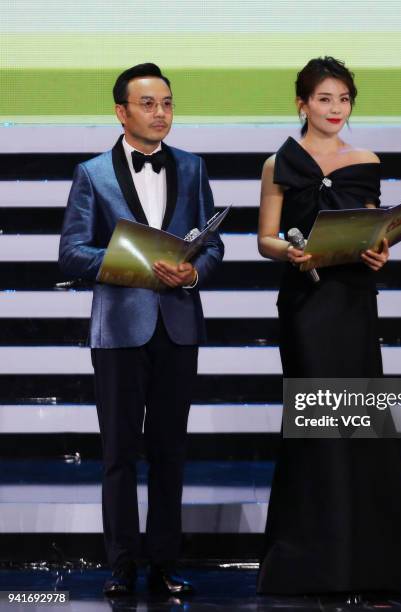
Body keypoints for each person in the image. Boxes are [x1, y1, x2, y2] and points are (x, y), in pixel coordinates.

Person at [256, 57, 401, 596]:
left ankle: (370, 564)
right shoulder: (278, 163)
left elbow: (371, 228)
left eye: (344, 100)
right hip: (306, 305)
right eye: (324, 99)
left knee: (361, 423)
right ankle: (313, 565)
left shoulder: (366, 160)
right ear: (302, 104)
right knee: (317, 425)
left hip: (353, 300)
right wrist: (289, 251)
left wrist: (380, 251)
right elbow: (265, 236)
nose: (336, 109)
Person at [58, 63, 224, 597]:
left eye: (168, 104)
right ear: (121, 111)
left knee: (171, 449)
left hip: (177, 324)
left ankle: (165, 562)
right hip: (120, 330)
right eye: (149, 104)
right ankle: (122, 563)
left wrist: (195, 269)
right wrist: (135, 263)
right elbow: (71, 254)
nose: (161, 113)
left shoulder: (194, 167)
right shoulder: (92, 173)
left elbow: (214, 244)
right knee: (119, 451)